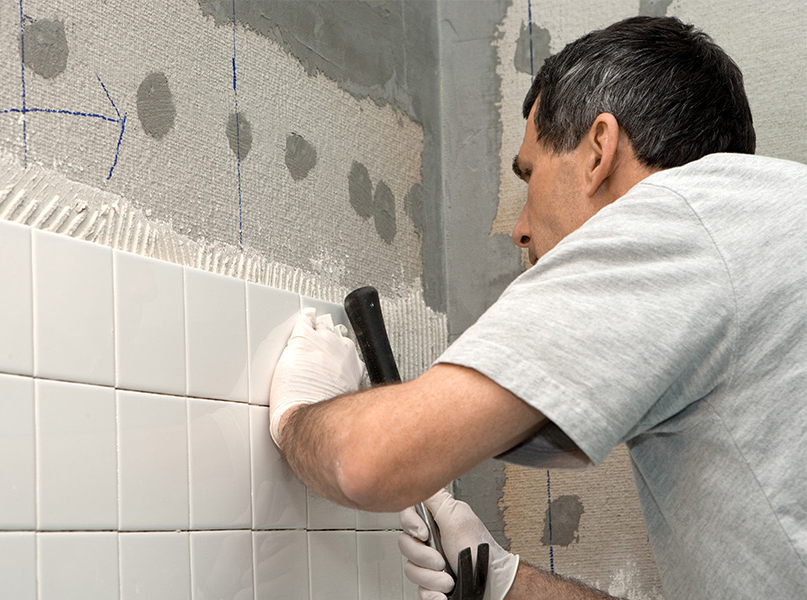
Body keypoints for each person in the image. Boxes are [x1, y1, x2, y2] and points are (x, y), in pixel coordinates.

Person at [269, 15, 807, 600]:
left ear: (599, 151)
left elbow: (369, 464)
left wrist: (300, 415)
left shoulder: (678, 220)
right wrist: (505, 581)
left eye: (531, 174)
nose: (521, 230)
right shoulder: (761, 220)